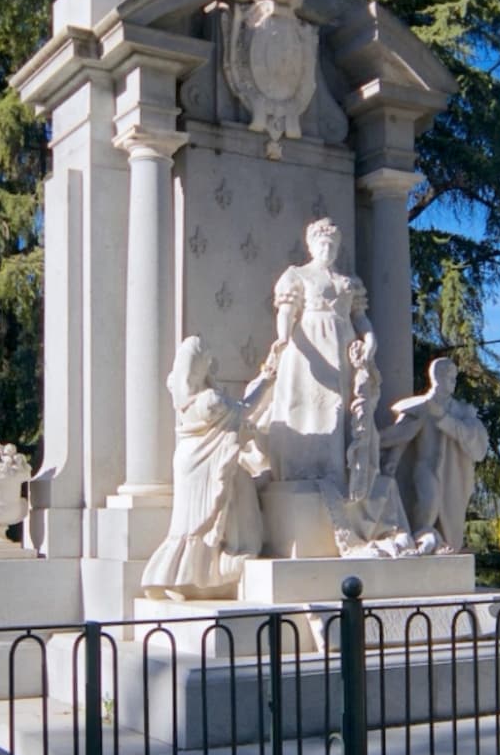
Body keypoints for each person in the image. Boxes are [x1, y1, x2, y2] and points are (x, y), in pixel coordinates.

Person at [141, 336, 273, 600]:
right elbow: (244, 409)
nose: (212, 366)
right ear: (199, 365)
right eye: (207, 361)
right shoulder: (209, 399)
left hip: (188, 460)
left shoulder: (179, 393)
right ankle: (196, 579)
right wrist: (265, 381)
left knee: (188, 525)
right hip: (206, 463)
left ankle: (169, 578)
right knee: (204, 523)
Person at [265, 218, 378, 491]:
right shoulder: (297, 274)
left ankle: (332, 471)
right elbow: (287, 312)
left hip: (341, 345)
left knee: (337, 407)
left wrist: (370, 342)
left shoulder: (349, 282)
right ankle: (299, 470)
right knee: (305, 403)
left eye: (332, 245)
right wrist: (282, 338)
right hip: (308, 344)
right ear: (311, 246)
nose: (327, 249)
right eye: (322, 244)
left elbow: (361, 318)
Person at [381, 357, 489, 554]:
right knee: (429, 502)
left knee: (450, 515)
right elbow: (404, 434)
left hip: (451, 474)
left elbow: (476, 444)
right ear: (436, 377)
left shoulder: (461, 411)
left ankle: (441, 545)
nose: (453, 383)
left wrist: (447, 419)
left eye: (455, 378)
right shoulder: (422, 406)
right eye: (450, 378)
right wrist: (392, 460)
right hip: (425, 467)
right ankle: (422, 537)